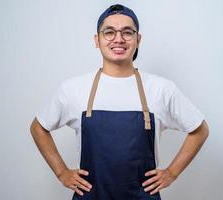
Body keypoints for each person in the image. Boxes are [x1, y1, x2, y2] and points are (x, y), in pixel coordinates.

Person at [30, 4, 209, 200]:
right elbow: (38, 127)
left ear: (138, 39)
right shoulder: (73, 88)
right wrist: (61, 172)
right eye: (109, 32)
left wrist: (172, 173)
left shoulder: (162, 89)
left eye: (127, 32)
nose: (119, 39)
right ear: (97, 40)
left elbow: (200, 130)